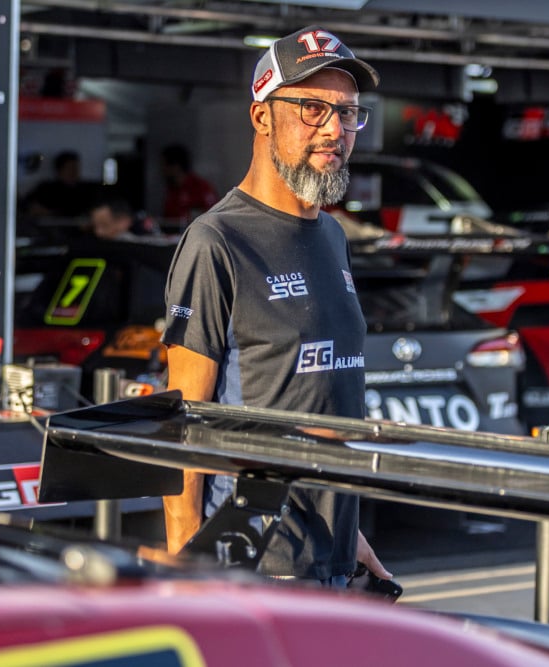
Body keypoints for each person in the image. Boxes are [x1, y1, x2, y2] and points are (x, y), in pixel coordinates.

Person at [159, 25, 391, 586]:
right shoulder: (216, 240)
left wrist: (349, 534)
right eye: (313, 108)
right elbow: (184, 420)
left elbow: (322, 401)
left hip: (334, 555)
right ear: (262, 117)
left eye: (348, 113)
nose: (335, 129)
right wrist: (186, 561)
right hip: (253, 563)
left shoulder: (332, 236)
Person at [161, 143, 220, 226]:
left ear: (176, 166)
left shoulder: (200, 187)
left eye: (164, 165)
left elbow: (215, 215)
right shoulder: (172, 190)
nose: (162, 169)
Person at [24, 150, 93, 219]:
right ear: (59, 170)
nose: (74, 172)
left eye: (76, 168)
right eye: (70, 168)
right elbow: (26, 204)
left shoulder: (88, 189)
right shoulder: (47, 188)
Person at [86, 194, 159, 240]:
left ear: (124, 221)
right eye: (94, 226)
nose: (98, 232)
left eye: (105, 225)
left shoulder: (144, 240)